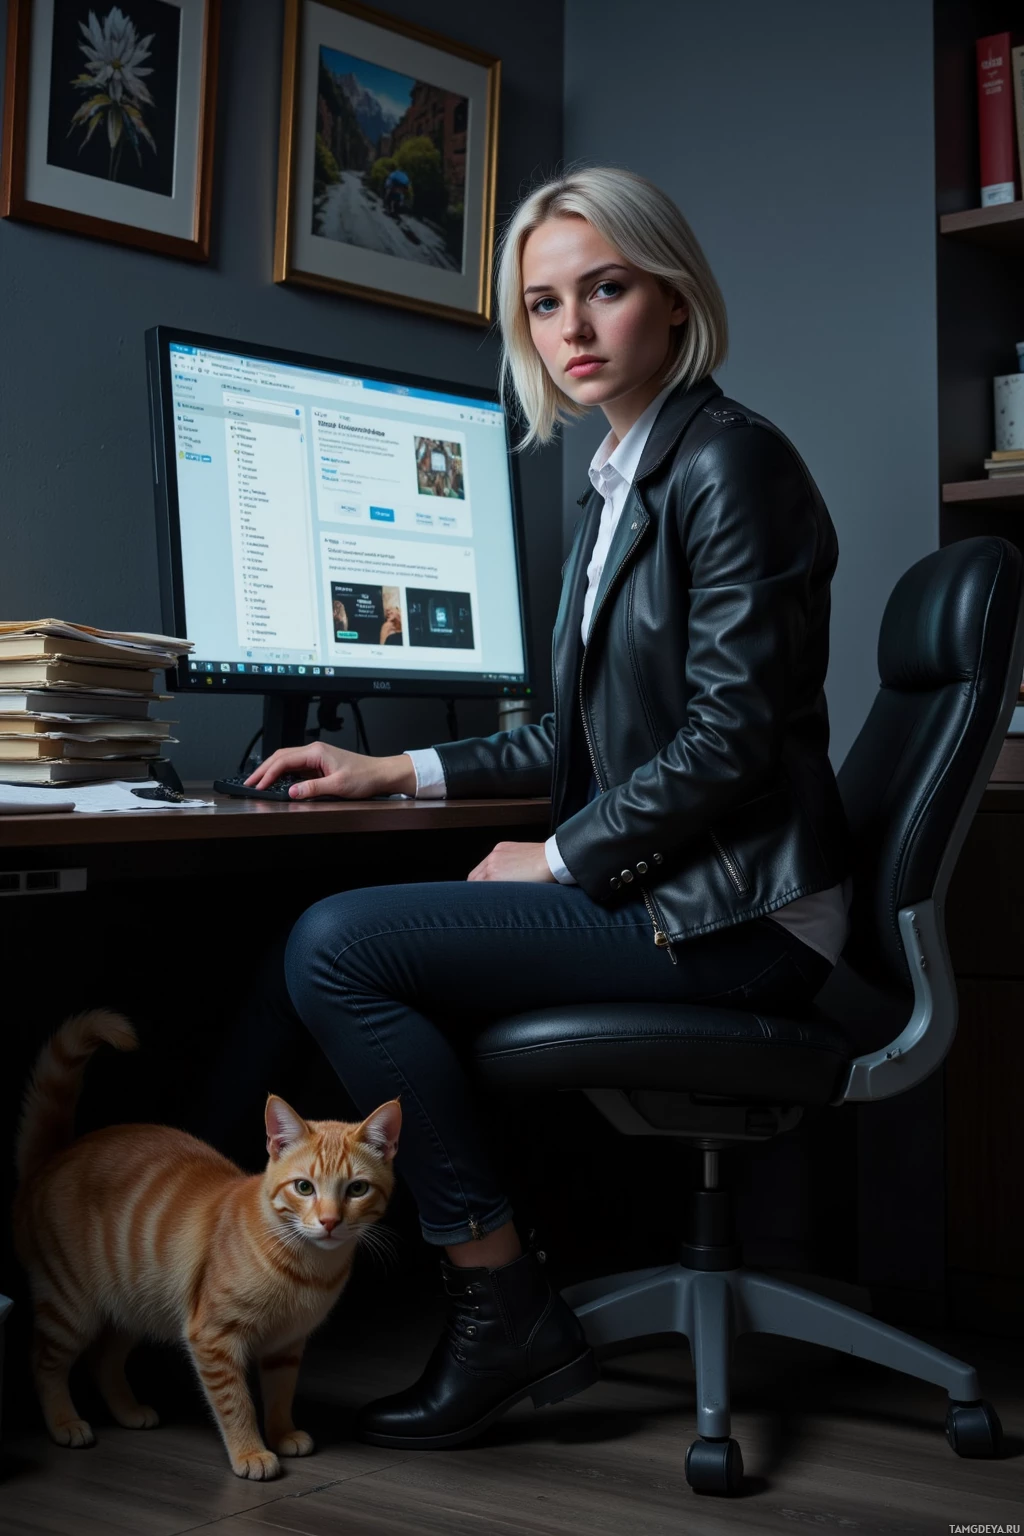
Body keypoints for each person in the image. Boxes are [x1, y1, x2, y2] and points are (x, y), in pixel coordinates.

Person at [245, 165, 853, 1451]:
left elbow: (731, 738)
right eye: (542, 303)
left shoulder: (731, 463)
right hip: (680, 889)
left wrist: (563, 854)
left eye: (605, 288)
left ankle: (501, 1304)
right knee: (299, 952)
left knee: (335, 946)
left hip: (741, 918)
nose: (571, 328)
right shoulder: (617, 483)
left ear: (674, 299)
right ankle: (193, 1283)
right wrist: (394, 772)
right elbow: (570, 734)